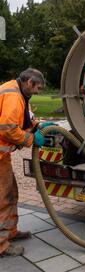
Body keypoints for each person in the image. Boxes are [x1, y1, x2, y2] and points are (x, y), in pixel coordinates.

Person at [0, 68, 54, 257]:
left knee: (11, 193)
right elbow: (8, 129)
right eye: (37, 88)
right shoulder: (13, 95)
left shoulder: (19, 93)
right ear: (29, 82)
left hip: (2, 157)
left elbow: (24, 119)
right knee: (3, 198)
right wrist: (32, 140)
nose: (38, 92)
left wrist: (39, 126)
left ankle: (10, 232)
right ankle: (1, 245)